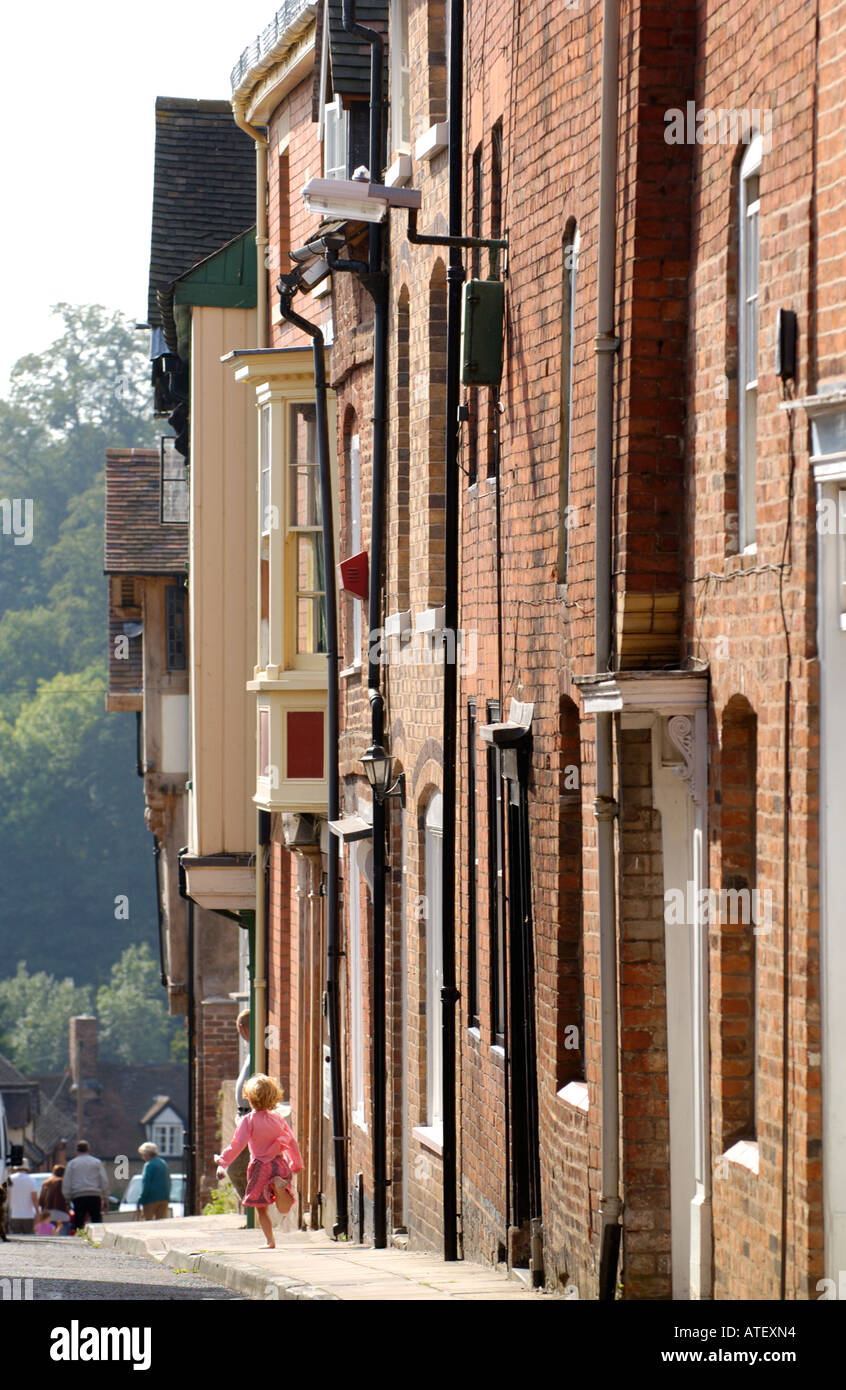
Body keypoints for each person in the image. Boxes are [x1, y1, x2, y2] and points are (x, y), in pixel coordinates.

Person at [214, 1074, 303, 1250]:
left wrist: (223, 1162)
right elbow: (291, 1141)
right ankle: (279, 1188)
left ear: (250, 1098)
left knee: (260, 1207)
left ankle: (270, 1241)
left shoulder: (249, 1120)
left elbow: (237, 1145)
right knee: (284, 1206)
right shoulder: (278, 1119)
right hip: (279, 1163)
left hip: (259, 1166)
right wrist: (296, 1163)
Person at [228, 1009, 252, 1209]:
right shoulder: (254, 1051)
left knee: (235, 1168)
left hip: (251, 1118)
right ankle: (252, 1209)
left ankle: (252, 1209)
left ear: (243, 1029)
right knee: (240, 1167)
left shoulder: (260, 1051)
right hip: (245, 1118)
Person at [62, 1140, 111, 1231]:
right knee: (96, 1221)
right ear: (88, 1149)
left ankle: (78, 1240)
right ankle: (98, 1239)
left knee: (79, 1222)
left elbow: (67, 1182)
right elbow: (104, 1181)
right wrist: (105, 1198)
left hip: (79, 1196)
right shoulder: (96, 1162)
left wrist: (67, 1200)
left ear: (77, 1151)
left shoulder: (72, 1164)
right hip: (94, 1195)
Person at [136, 1142, 171, 1220]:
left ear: (146, 1154)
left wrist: (141, 1199)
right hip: (164, 1198)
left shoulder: (149, 1165)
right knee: (161, 1223)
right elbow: (168, 1181)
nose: (142, 1158)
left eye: (143, 1155)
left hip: (150, 1199)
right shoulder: (163, 1163)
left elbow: (146, 1184)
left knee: (147, 1222)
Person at [39, 1165, 71, 1236]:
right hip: (62, 1213)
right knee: (63, 1238)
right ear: (64, 1173)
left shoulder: (45, 1183)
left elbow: (41, 1200)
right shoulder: (63, 1182)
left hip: (48, 1214)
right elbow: (67, 1197)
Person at [8, 1163, 38, 1235]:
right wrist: (38, 1213)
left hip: (13, 1214)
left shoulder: (10, 1179)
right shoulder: (31, 1180)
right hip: (28, 1215)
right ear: (26, 1168)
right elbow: (34, 1199)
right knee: (29, 1238)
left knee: (14, 1238)